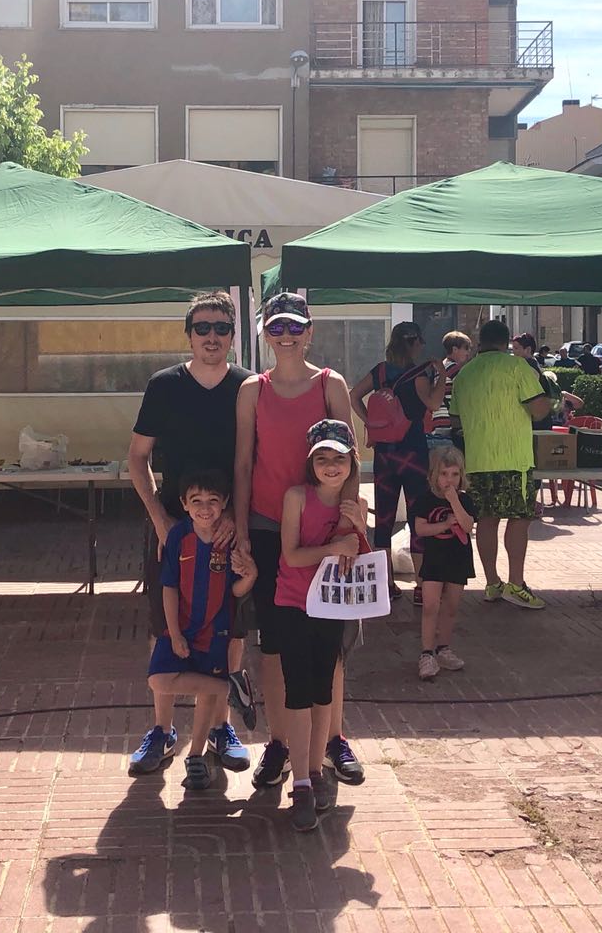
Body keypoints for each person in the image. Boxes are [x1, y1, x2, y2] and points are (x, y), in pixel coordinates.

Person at [234, 292, 365, 790]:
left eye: (295, 327)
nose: (286, 336)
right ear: (265, 334)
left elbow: (351, 460)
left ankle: (332, 739)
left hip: (325, 532)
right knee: (274, 644)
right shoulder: (253, 389)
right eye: (277, 327)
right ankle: (280, 743)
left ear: (309, 331)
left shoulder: (331, 383)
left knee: (330, 641)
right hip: (269, 528)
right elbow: (243, 463)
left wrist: (346, 528)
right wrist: (242, 530)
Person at [128, 291, 253, 775]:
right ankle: (162, 731)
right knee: (165, 625)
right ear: (189, 334)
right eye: (203, 328)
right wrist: (161, 520)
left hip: (228, 528)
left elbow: (252, 462)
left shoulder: (247, 387)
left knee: (230, 628)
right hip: (174, 528)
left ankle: (222, 727)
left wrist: (237, 518)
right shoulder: (164, 386)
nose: (212, 337)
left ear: (232, 336)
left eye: (221, 328)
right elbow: (137, 457)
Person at [274, 419, 370, 832]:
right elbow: (292, 556)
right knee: (297, 692)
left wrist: (359, 527)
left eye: (339, 458)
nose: (331, 466)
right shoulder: (296, 497)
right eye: (322, 458)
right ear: (310, 463)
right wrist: (334, 547)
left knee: (323, 690)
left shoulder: (355, 503)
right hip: (295, 603)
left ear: (352, 461)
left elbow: (361, 559)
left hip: (332, 606)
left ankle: (314, 772)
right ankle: (299, 782)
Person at [144, 470, 259, 789]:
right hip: (181, 627)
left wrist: (250, 577)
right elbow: (169, 586)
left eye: (213, 501)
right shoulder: (178, 537)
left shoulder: (228, 540)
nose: (205, 508)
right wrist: (174, 633)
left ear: (224, 503)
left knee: (207, 692)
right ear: (184, 503)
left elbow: (235, 590)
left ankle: (195, 756)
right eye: (196, 501)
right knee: (159, 679)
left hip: (215, 630)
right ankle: (230, 688)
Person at [447, 319, 553, 610]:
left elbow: (455, 419)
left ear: (480, 341)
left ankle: (492, 583)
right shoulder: (519, 367)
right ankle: (516, 584)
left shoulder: (465, 373)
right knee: (519, 519)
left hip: (477, 460)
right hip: (514, 459)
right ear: (506, 342)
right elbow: (539, 410)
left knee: (486, 521)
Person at [349, 322, 444, 597]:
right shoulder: (419, 373)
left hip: (385, 454)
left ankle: (385, 584)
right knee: (417, 516)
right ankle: (421, 585)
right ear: (414, 343)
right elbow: (434, 403)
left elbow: (354, 395)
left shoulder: (380, 371)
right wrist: (440, 375)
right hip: (413, 452)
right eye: (420, 341)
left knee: (384, 518)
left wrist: (370, 422)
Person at [410, 444, 476, 680]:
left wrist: (455, 502)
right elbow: (420, 529)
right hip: (434, 560)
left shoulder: (465, 501)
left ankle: (444, 648)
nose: (449, 479)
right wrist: (444, 525)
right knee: (430, 606)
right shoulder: (425, 500)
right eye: (444, 474)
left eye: (455, 474)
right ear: (433, 475)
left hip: (458, 559)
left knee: (451, 606)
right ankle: (427, 653)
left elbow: (468, 525)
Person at [428, 330, 474, 453]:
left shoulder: (442, 366)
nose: (468, 353)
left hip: (439, 422)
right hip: (448, 422)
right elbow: (468, 385)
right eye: (466, 348)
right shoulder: (452, 368)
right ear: (454, 349)